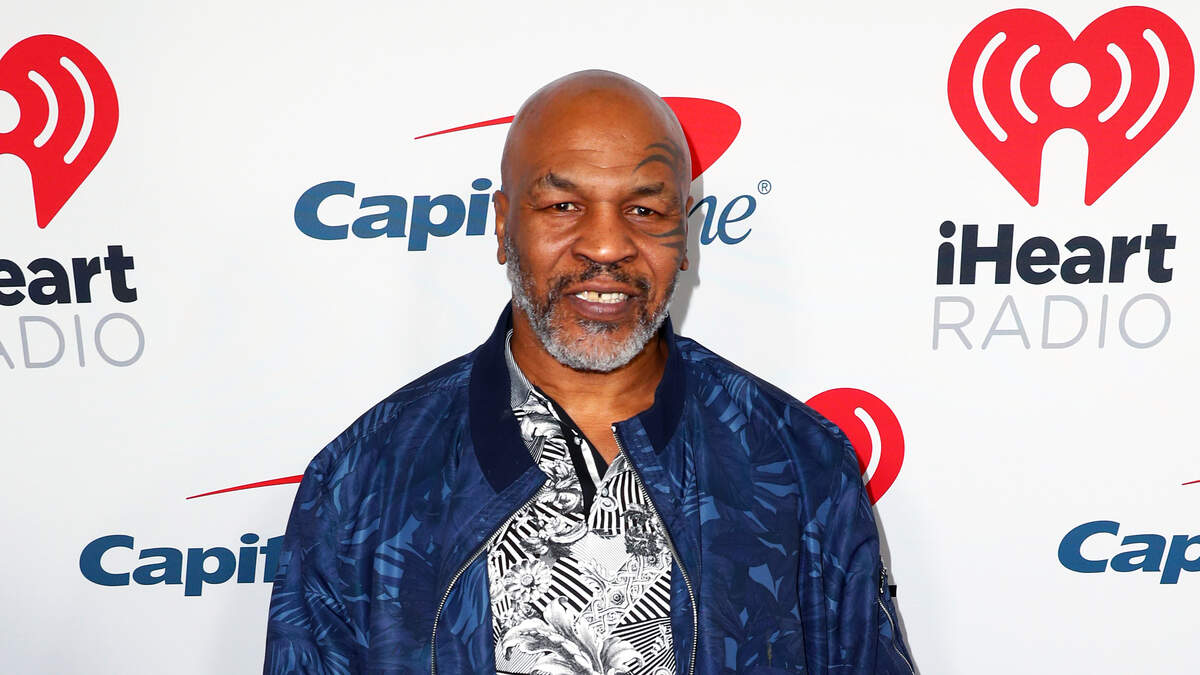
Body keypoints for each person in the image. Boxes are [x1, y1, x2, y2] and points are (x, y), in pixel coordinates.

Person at [265, 70, 915, 674]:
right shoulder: (363, 480)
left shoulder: (799, 464)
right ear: (503, 225)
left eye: (644, 210)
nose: (606, 245)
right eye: (563, 206)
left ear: (684, 234)